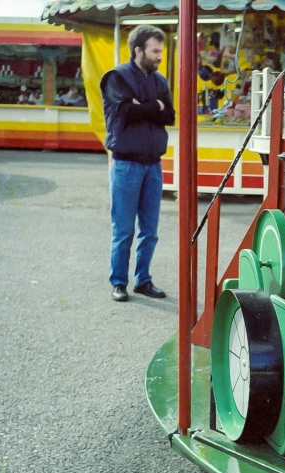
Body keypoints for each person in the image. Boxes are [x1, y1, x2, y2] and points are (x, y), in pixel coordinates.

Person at [100, 25, 176, 302]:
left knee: (150, 231)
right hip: (126, 165)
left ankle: (142, 280)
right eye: (155, 51)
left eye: (161, 51)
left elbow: (170, 116)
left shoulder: (160, 81)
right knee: (123, 230)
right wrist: (153, 106)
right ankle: (118, 282)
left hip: (153, 165)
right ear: (138, 50)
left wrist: (148, 107)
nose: (159, 56)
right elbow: (124, 112)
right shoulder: (115, 78)